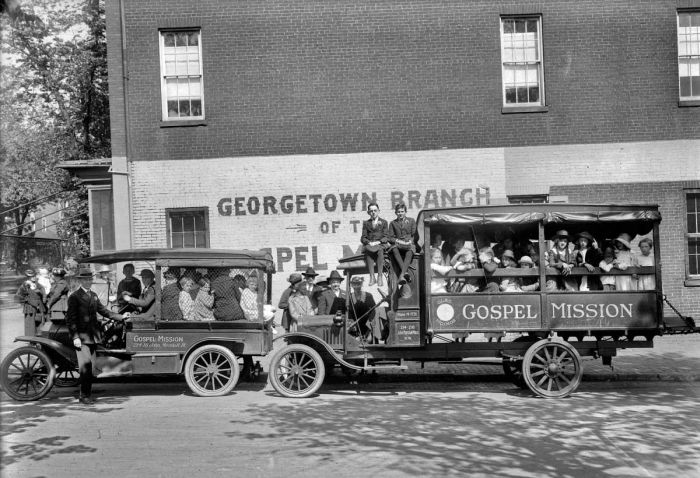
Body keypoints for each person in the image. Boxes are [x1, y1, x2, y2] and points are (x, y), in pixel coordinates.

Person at [66, 267, 125, 405]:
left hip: (93, 337)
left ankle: (87, 394)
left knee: (91, 367)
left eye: (90, 279)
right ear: (81, 281)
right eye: (85, 279)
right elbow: (71, 319)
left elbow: (104, 311)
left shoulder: (93, 295)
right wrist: (75, 337)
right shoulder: (74, 297)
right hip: (81, 337)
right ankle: (84, 396)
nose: (88, 281)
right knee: (85, 367)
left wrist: (121, 317)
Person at [388, 202, 419, 286]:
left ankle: (402, 275)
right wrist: (398, 241)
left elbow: (415, 235)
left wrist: (411, 241)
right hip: (398, 244)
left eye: (402, 211)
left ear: (405, 212)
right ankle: (404, 272)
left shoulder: (411, 220)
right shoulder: (392, 223)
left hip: (408, 243)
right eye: (398, 212)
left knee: (410, 250)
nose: (400, 213)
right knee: (394, 248)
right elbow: (390, 237)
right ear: (395, 213)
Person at [360, 202, 389, 286]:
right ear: (368, 212)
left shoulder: (384, 222)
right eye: (371, 211)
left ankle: (379, 277)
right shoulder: (366, 223)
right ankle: (372, 277)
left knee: (380, 251)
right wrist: (369, 242)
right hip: (371, 244)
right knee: (368, 251)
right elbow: (363, 237)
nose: (373, 212)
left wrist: (379, 242)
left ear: (378, 211)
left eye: (375, 210)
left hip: (380, 244)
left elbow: (386, 236)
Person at [15, 269, 47, 335]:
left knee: (41, 322)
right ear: (28, 277)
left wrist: (44, 297)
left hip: (39, 306)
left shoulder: (37, 284)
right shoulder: (24, 285)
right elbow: (18, 296)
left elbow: (43, 291)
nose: (34, 277)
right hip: (30, 307)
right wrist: (27, 300)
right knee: (30, 324)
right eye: (31, 276)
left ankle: (40, 339)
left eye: (34, 276)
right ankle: (31, 340)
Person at [348, 275, 378, 340]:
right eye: (355, 284)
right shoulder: (349, 297)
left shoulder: (368, 296)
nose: (357, 286)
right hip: (354, 327)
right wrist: (351, 323)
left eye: (358, 284)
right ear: (352, 285)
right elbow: (348, 312)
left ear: (361, 284)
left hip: (368, 326)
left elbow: (374, 311)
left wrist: (370, 327)